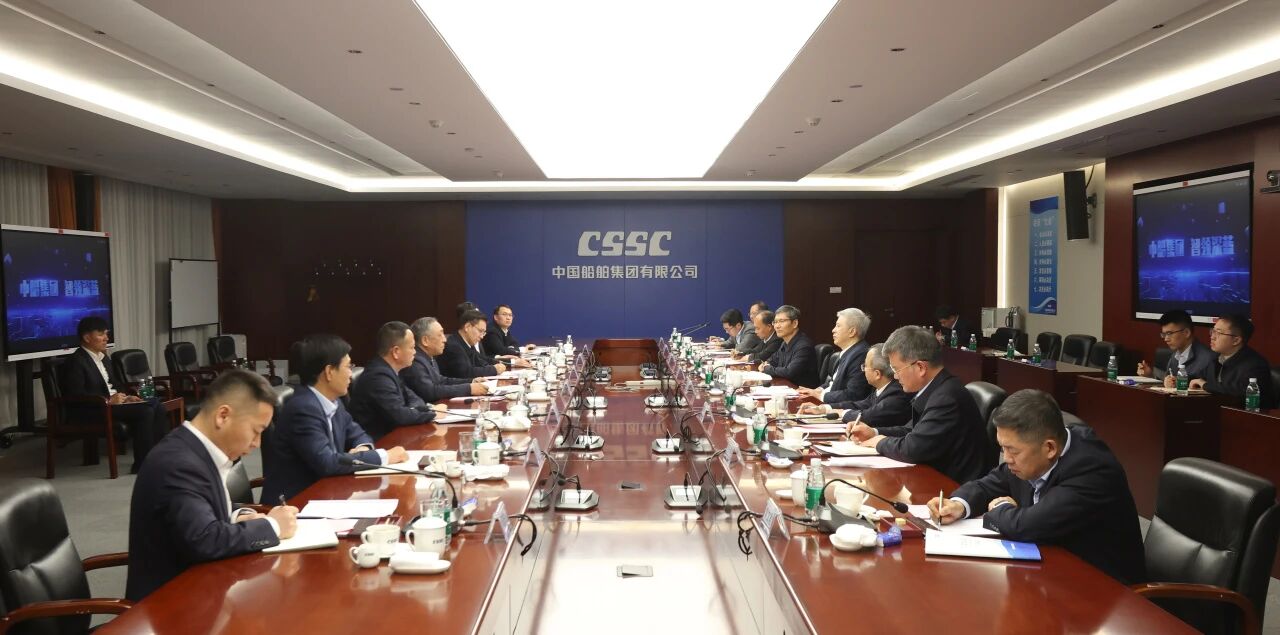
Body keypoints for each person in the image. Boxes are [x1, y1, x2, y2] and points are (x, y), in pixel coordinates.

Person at [928, 389, 1146, 584]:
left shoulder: (1092, 470)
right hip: (1051, 568)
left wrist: (1000, 508)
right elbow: (992, 482)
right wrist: (959, 504)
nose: (1006, 458)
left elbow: (1026, 526)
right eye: (1002, 448)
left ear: (1049, 448)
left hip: (1104, 589)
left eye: (1012, 450)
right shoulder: (1031, 454)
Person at [126, 370, 298, 600]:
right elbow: (204, 539)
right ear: (223, 416)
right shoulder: (179, 463)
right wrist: (273, 526)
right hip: (169, 603)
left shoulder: (195, 449)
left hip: (200, 587)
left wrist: (239, 515)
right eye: (256, 431)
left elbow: (203, 503)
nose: (257, 443)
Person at [262, 335, 409, 502]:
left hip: (326, 493)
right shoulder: (303, 409)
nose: (350, 374)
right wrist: (384, 457)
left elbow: (357, 432)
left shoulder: (333, 401)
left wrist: (363, 448)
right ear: (329, 372)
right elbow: (327, 463)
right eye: (348, 367)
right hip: (295, 503)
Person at [849, 325, 988, 483]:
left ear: (921, 367)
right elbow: (912, 430)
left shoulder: (946, 398)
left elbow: (913, 448)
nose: (895, 377)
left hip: (953, 487)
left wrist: (879, 442)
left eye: (896, 369)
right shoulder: (937, 388)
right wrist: (874, 432)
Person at [60, 316, 168, 473]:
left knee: (158, 406)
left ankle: (159, 457)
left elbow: (115, 385)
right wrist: (108, 400)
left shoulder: (104, 358)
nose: (106, 338)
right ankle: (142, 464)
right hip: (92, 409)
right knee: (146, 411)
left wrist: (127, 397)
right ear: (87, 338)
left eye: (106, 333)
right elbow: (76, 394)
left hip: (112, 404)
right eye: (101, 334)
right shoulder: (76, 361)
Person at [348, 321, 444, 439]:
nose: (415, 352)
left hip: (396, 435)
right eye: (412, 348)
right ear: (396, 352)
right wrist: (433, 414)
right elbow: (400, 416)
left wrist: (424, 409)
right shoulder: (378, 376)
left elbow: (414, 399)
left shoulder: (391, 370)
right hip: (379, 442)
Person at [1189, 313, 1276, 408]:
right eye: (1213, 331)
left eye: (1218, 333)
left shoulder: (1255, 365)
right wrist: (1180, 379)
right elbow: (1198, 377)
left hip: (1245, 414)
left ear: (1236, 340)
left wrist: (1205, 385)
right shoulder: (1217, 358)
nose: (1212, 337)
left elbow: (1241, 392)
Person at [402, 316, 489, 402]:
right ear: (425, 340)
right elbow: (430, 392)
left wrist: (472, 381)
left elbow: (441, 380)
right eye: (440, 335)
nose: (445, 339)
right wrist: (468, 388)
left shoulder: (429, 357)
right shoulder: (415, 361)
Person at [798, 308, 872, 405]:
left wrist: (819, 395)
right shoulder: (849, 352)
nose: (833, 330)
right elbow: (832, 382)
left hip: (839, 408)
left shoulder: (861, 355)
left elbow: (853, 394)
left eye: (838, 326)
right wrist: (817, 390)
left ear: (852, 332)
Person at [1136, 310, 1214, 385]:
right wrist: (1150, 375)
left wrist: (1181, 383)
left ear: (1186, 333)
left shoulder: (1207, 358)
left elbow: (1210, 389)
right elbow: (1169, 383)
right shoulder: (1175, 355)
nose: (1166, 339)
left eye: (1169, 333)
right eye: (1164, 334)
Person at [760, 304, 820, 388]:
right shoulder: (785, 343)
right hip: (786, 387)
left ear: (795, 323)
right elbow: (772, 360)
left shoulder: (804, 346)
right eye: (775, 322)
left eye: (781, 321)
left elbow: (789, 372)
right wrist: (766, 364)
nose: (777, 326)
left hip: (802, 391)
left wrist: (767, 368)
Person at [440, 310, 508, 378]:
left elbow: (481, 360)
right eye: (480, 331)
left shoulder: (468, 343)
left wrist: (500, 363)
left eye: (483, 332)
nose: (482, 337)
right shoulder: (453, 345)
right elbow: (465, 373)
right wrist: (494, 369)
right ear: (467, 327)